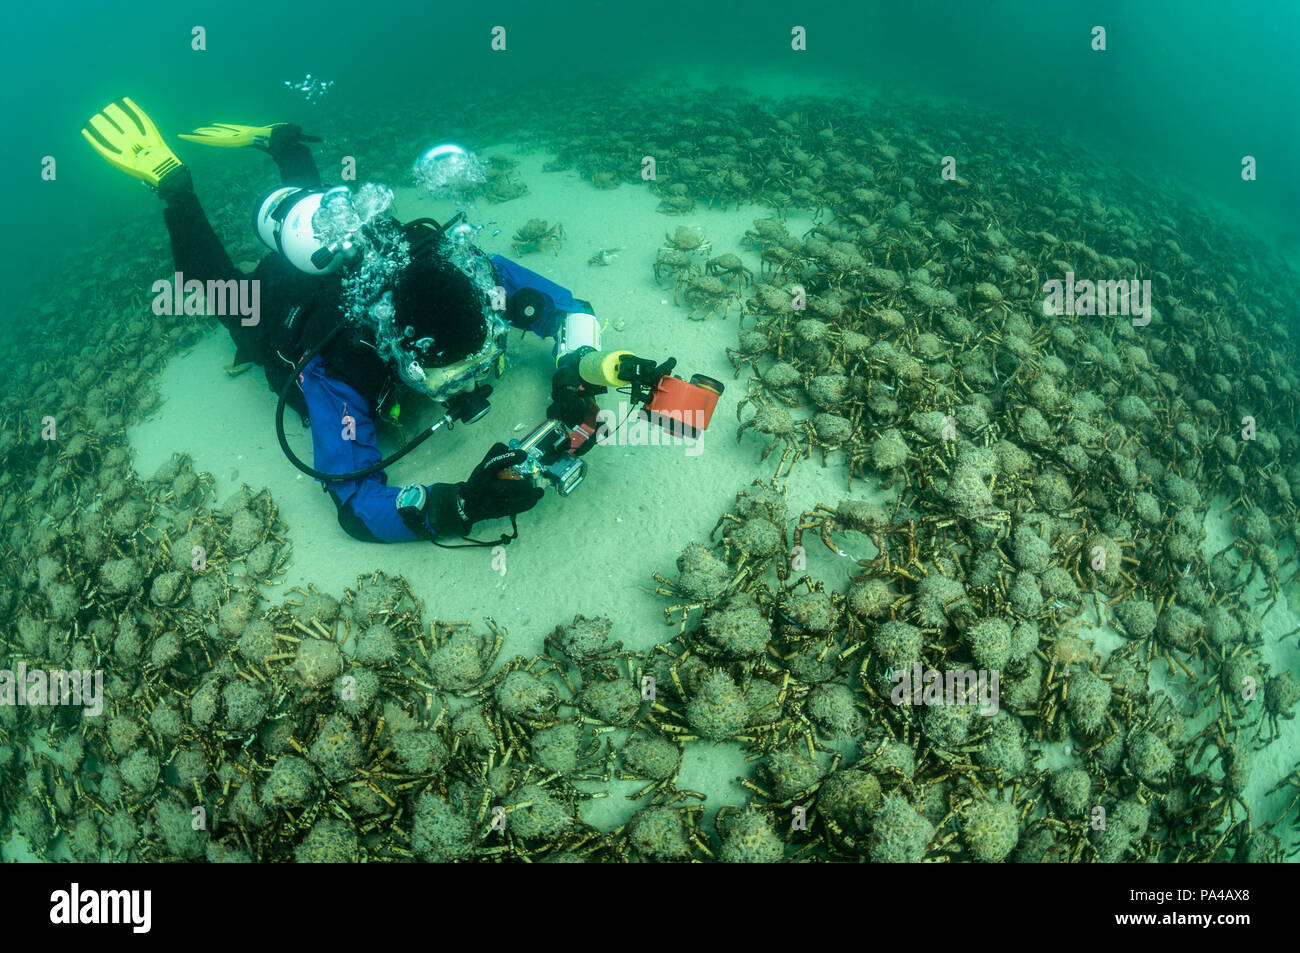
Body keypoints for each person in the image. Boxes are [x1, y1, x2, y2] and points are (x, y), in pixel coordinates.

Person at [82, 97, 600, 544]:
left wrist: (573, 373)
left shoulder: (469, 275)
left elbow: (572, 312)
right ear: (399, 348)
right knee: (216, 288)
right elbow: (356, 506)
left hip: (338, 255)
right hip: (280, 303)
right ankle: (174, 184)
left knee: (339, 228)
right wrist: (461, 504)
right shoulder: (338, 367)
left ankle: (284, 143)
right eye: (449, 375)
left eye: (484, 357)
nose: (473, 381)